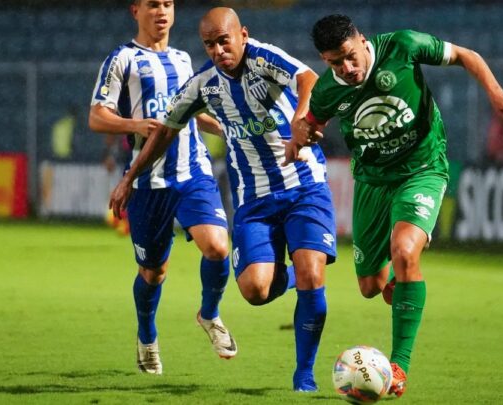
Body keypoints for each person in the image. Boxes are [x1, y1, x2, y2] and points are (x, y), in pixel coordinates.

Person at [285, 14, 503, 397]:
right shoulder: (328, 91)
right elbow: (308, 123)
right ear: (325, 60)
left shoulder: (402, 45)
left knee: (404, 249)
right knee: (371, 287)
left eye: (350, 56)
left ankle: (399, 365)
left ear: (361, 39)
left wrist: (495, 93)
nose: (347, 68)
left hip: (422, 168)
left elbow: (467, 55)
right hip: (371, 182)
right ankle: (404, 279)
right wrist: (299, 131)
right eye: (335, 63)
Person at [110, 7, 337, 392]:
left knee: (313, 274)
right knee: (254, 290)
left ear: (242, 35)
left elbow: (308, 77)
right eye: (209, 44)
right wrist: (129, 177)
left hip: (304, 186)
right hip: (254, 200)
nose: (217, 50)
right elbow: (166, 130)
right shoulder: (204, 84)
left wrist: (301, 122)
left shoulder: (264, 57)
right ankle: (286, 272)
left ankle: (305, 376)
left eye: (223, 40)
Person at [88, 0, 237, 375]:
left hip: (193, 174)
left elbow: (186, 111)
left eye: (168, 4)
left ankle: (210, 315)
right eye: (153, 4)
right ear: (135, 10)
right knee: (153, 273)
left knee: (219, 247)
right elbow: (97, 116)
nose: (162, 12)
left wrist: (217, 126)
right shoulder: (122, 59)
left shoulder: (185, 59)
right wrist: (134, 125)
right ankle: (147, 336)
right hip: (148, 183)